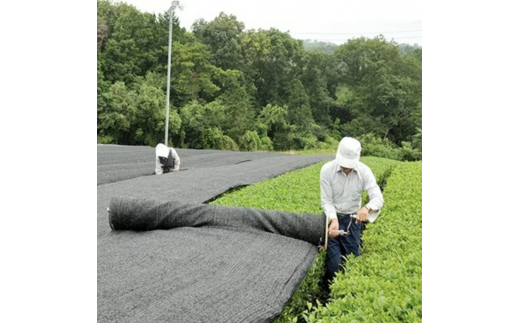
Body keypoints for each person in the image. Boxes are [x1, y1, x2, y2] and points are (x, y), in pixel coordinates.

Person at [320, 137, 384, 292]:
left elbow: (378, 198)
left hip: (352, 221)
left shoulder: (364, 171)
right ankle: (332, 293)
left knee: (352, 261)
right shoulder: (327, 170)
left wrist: (366, 208)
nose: (346, 167)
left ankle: (349, 295)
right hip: (332, 220)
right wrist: (333, 219)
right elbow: (327, 201)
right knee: (334, 266)